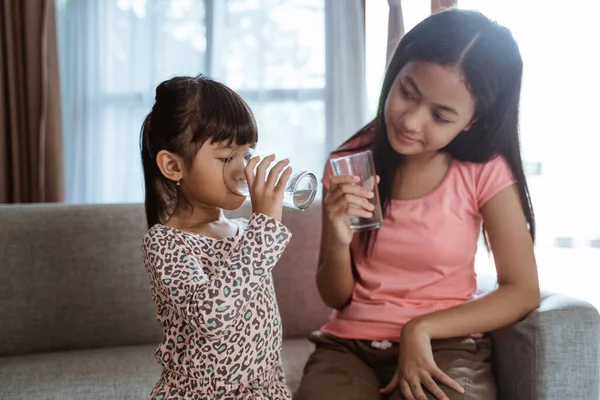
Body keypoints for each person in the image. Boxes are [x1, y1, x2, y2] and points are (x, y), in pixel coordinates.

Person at [296, 8, 540, 400]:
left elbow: (522, 290)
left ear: (471, 122)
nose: (410, 121)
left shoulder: (484, 171)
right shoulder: (350, 162)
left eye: (440, 116)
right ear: (395, 72)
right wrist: (338, 240)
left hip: (445, 342)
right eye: (408, 91)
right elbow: (335, 296)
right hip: (349, 347)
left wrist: (420, 327)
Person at [140, 75, 294, 399]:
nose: (243, 170)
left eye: (247, 154)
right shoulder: (165, 243)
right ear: (173, 165)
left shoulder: (243, 232)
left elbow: (262, 332)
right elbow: (211, 317)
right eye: (226, 158)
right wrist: (263, 227)